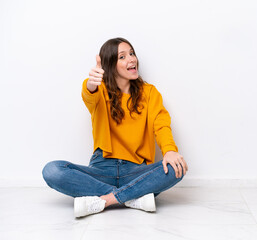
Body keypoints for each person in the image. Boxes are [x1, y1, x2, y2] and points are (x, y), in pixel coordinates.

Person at [42, 37, 188, 218]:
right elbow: (89, 94)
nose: (132, 59)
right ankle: (133, 197)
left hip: (136, 171)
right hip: (100, 170)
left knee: (176, 168)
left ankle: (107, 200)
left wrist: (169, 151)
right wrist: (91, 83)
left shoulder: (150, 93)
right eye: (122, 57)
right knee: (52, 170)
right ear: (110, 64)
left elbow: (161, 125)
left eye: (132, 54)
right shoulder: (99, 89)